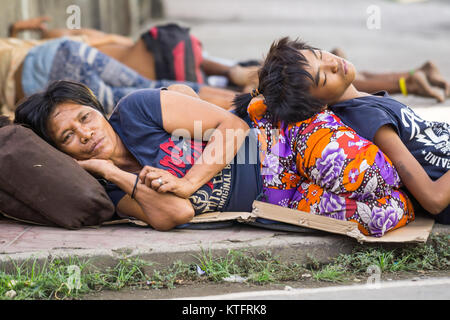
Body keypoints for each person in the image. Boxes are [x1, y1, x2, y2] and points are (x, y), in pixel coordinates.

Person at [14, 80, 415, 237]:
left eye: (85, 118)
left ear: (97, 108)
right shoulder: (104, 186)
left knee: (363, 178)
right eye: (68, 136)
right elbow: (174, 215)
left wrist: (187, 184)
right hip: (278, 201)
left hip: (283, 141)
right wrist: (111, 173)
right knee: (383, 215)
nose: (85, 134)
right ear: (60, 151)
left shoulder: (137, 110)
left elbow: (233, 128)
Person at [233, 37, 449, 225]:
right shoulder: (366, 118)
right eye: (324, 77)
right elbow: (433, 199)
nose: (333, 63)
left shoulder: (366, 100)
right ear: (318, 106)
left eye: (319, 54)